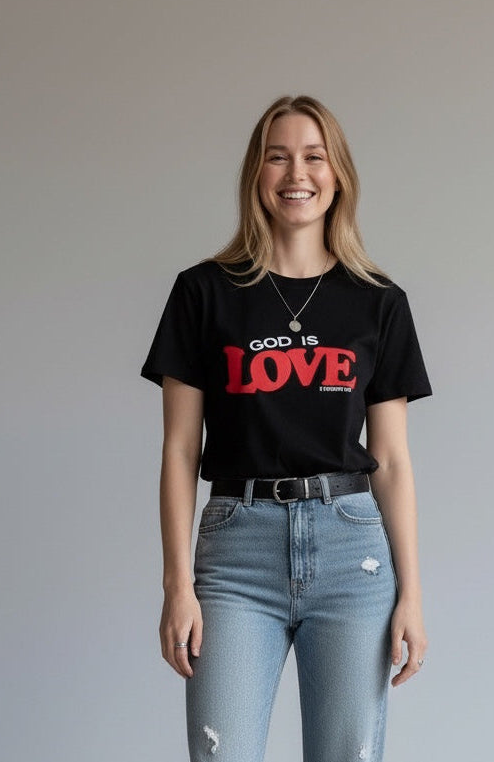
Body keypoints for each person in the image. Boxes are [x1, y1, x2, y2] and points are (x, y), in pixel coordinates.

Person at [140, 94, 433, 762]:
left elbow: (390, 459)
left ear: (338, 175)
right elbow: (181, 449)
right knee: (223, 750)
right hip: (236, 554)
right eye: (277, 156)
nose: (295, 172)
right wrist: (176, 584)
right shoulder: (203, 292)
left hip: (351, 553)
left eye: (312, 155)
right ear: (255, 174)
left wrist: (411, 594)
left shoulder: (378, 302)